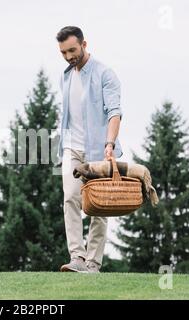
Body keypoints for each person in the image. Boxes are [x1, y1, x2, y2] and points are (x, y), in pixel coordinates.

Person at [56, 26, 123, 273]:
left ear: (84, 44)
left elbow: (114, 112)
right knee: (70, 198)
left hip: (99, 149)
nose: (68, 56)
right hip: (71, 148)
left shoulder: (105, 74)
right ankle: (77, 257)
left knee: (99, 205)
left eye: (72, 50)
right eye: (63, 52)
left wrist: (110, 144)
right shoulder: (65, 75)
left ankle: (93, 263)